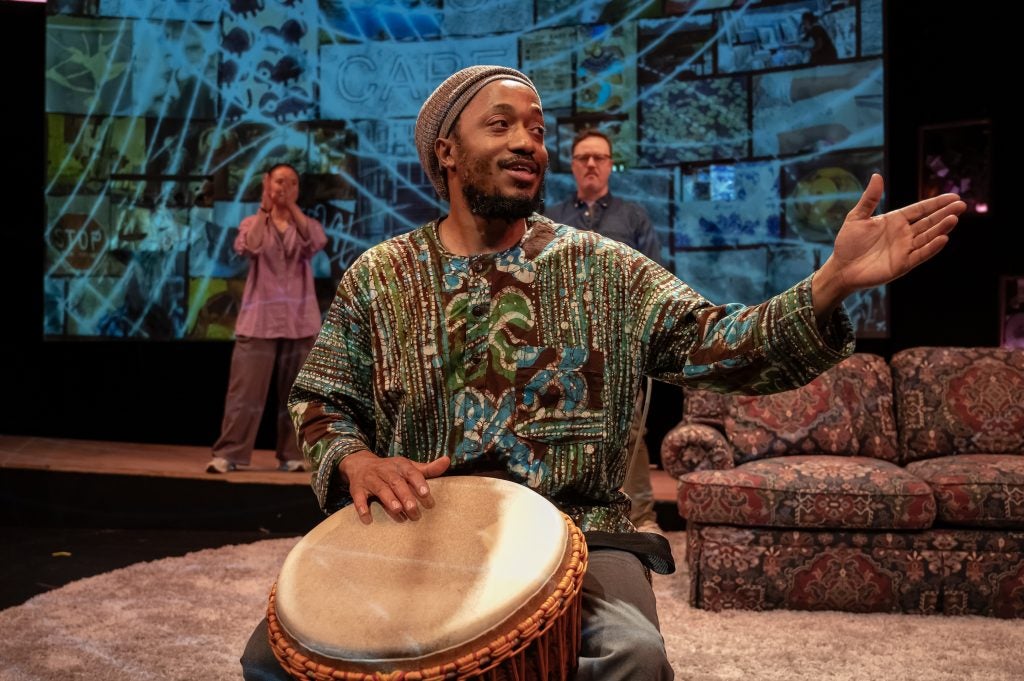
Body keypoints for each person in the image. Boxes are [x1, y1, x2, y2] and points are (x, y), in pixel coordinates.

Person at [240, 66, 963, 680]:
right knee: (273, 656)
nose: (529, 142)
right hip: (420, 529)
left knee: (632, 653)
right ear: (447, 152)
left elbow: (726, 344)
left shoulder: (603, 268)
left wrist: (832, 281)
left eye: (538, 128)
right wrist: (357, 458)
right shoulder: (381, 276)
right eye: (502, 125)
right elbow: (323, 401)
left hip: (580, 529)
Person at [545, 128, 662, 534]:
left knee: (629, 431)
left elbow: (656, 280)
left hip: (619, 346)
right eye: (582, 158)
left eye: (599, 157)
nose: (591, 164)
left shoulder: (633, 216)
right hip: (563, 348)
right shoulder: (551, 217)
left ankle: (643, 519)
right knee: (561, 429)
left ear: (611, 164)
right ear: (573, 166)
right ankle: (563, 521)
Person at [206, 162, 328, 474]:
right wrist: (265, 209)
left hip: (299, 321)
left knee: (297, 395)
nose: (284, 188)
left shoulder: (307, 225)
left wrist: (292, 208)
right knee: (244, 392)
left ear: (297, 189)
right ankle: (229, 453)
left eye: (291, 183)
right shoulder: (252, 222)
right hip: (259, 319)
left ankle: (292, 455)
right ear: (267, 185)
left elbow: (316, 243)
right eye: (278, 182)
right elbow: (250, 246)